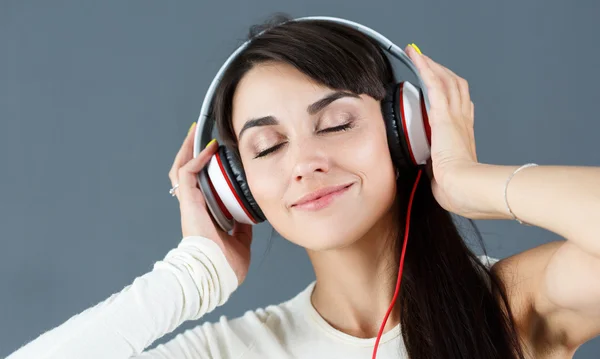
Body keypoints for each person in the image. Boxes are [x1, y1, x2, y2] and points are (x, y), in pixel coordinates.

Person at [8, 13, 600, 359]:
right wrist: (189, 278)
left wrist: (470, 182)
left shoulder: (515, 302)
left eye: (337, 123)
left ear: (406, 134)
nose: (305, 162)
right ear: (236, 187)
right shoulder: (237, 349)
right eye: (267, 147)